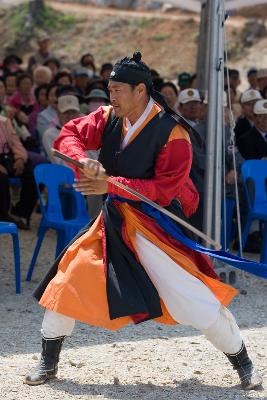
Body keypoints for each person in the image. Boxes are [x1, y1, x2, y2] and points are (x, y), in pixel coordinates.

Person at [24, 52, 262, 390]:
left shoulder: (172, 132)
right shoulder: (108, 117)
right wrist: (83, 161)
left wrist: (110, 183)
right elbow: (70, 133)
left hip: (155, 225)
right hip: (114, 219)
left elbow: (165, 190)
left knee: (191, 298)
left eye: (118, 90)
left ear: (140, 90)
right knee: (70, 277)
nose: (111, 97)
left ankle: (244, 363)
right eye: (109, 90)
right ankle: (48, 362)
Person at [0, 114, 38, 228]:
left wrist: (20, 158)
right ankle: (3, 215)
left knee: (33, 173)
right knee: (1, 177)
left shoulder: (4, 121)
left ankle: (20, 212)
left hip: (7, 157)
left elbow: (16, 144)